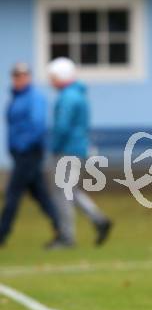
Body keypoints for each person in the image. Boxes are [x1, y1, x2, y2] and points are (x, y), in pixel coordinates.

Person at [46, 57, 112, 249]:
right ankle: (98, 219)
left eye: (53, 76)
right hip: (77, 149)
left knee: (62, 193)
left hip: (66, 151)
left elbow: (62, 126)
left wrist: (54, 147)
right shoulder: (78, 94)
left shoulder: (67, 97)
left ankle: (67, 236)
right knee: (70, 191)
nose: (51, 81)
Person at [0, 63, 61, 248]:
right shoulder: (16, 98)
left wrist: (22, 145)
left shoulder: (34, 98)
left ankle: (2, 233)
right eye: (16, 76)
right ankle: (62, 228)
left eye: (22, 76)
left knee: (13, 193)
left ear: (28, 77)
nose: (19, 79)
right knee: (40, 194)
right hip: (20, 153)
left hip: (29, 153)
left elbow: (37, 126)